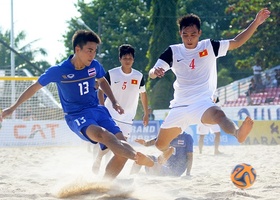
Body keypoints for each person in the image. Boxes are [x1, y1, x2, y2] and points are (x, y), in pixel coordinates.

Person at [1, 30, 154, 180]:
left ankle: (105, 184)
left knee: (121, 147)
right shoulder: (59, 70)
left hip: (98, 110)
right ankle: (138, 157)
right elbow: (34, 87)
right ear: (77, 49)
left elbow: (102, 81)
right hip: (77, 115)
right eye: (89, 50)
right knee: (104, 135)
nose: (92, 55)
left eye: (94, 51)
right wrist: (12, 108)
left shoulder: (94, 66)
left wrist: (114, 102)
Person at [148, 8, 270, 161]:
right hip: (179, 105)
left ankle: (237, 133)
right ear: (180, 34)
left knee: (219, 115)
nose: (189, 38)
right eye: (185, 35)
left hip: (202, 102)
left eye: (193, 34)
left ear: (199, 33)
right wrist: (155, 72)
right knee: (160, 145)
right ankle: (165, 155)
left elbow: (237, 42)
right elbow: (152, 73)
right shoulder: (173, 51)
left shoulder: (209, 46)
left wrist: (256, 22)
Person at [92, 44, 150, 174]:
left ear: (133, 60)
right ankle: (99, 159)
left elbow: (143, 94)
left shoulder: (139, 76)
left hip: (128, 116)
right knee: (108, 143)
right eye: (125, 58)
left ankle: (111, 171)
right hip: (110, 114)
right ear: (120, 59)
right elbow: (100, 91)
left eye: (130, 58)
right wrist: (102, 108)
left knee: (123, 145)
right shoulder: (112, 74)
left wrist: (146, 113)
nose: (127, 60)